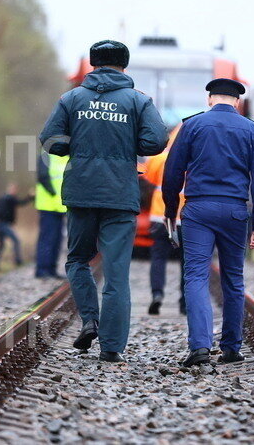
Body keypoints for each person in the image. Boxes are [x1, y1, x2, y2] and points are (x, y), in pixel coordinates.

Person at [39, 40, 168, 363]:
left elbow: (50, 139)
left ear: (93, 65)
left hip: (81, 191)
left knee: (78, 259)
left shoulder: (71, 99)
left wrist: (76, 146)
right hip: (120, 194)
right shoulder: (138, 101)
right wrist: (128, 143)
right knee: (116, 271)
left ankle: (89, 320)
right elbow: (157, 141)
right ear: (124, 66)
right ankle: (111, 347)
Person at [163, 78, 254, 367]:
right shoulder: (253, 131)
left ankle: (199, 347)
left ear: (210, 99)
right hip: (236, 212)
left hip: (198, 209)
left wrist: (171, 210)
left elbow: (172, 171)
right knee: (233, 279)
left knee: (196, 276)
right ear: (237, 102)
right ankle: (231, 348)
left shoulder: (192, 126)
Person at [141, 126, 185, 315]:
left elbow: (148, 178)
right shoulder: (195, 159)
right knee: (188, 260)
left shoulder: (160, 159)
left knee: (159, 256)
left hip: (161, 217)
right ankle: (185, 302)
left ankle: (157, 294)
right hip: (186, 218)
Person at [34, 153, 69, 279]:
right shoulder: (46, 155)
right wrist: (54, 193)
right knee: (47, 239)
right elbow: (43, 177)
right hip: (48, 205)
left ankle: (51, 269)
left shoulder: (66, 157)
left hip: (61, 206)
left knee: (57, 239)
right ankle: (42, 270)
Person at [0, 183, 34, 271]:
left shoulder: (1, 198)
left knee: (1, 245)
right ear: (10, 190)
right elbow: (21, 203)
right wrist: (30, 196)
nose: (15, 191)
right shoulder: (10, 198)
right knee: (16, 241)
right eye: (14, 189)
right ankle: (18, 261)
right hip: (4, 224)